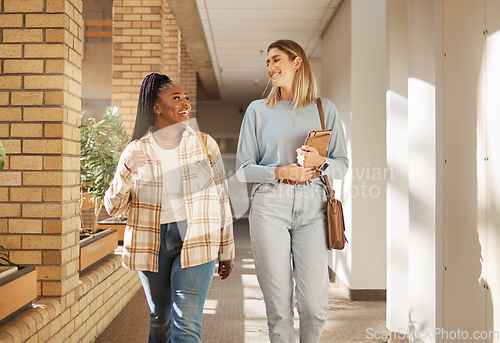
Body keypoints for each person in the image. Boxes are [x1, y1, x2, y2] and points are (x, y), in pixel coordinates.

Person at [104, 72, 235, 343]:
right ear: (156, 106)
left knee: (186, 326)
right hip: (152, 241)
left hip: (198, 238)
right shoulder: (136, 150)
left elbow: (222, 199)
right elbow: (113, 208)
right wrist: (126, 172)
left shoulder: (204, 144)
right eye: (176, 98)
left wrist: (226, 249)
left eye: (186, 98)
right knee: (160, 320)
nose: (185, 103)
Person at [236, 39, 349, 342]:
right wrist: (278, 171)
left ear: (297, 62)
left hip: (314, 206)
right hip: (269, 205)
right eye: (268, 63)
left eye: (276, 60)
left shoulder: (326, 109)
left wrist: (320, 161)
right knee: (278, 309)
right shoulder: (258, 111)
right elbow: (243, 168)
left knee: (314, 307)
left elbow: (343, 166)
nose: (270, 68)